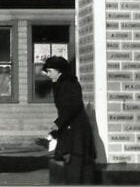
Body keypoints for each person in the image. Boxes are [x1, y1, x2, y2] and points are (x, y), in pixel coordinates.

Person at [42, 56, 95, 185]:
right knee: (74, 166)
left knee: (75, 168)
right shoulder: (62, 84)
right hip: (72, 131)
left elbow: (74, 106)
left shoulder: (67, 84)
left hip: (76, 133)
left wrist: (58, 123)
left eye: (49, 71)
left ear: (58, 70)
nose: (48, 75)